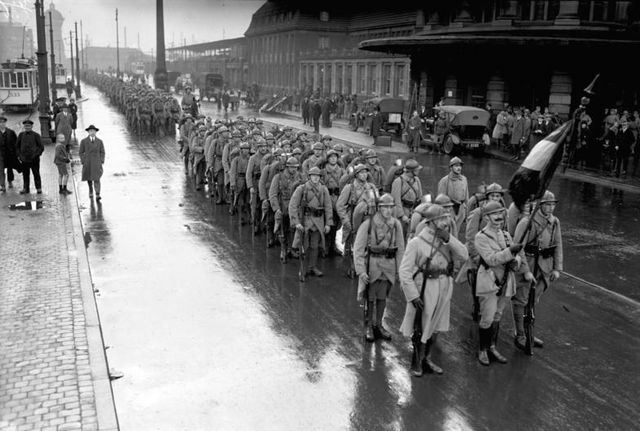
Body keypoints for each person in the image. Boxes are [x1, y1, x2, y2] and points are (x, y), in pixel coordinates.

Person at [399, 204, 468, 377]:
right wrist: (413, 296)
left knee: (435, 324)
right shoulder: (416, 242)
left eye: (446, 218)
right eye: (442, 219)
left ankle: (427, 359)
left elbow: (464, 255)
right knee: (421, 325)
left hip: (444, 285)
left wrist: (449, 239)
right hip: (425, 287)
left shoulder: (447, 241)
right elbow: (404, 271)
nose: (446, 222)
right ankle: (416, 361)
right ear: (431, 222)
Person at [474, 201, 532, 366]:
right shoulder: (481, 237)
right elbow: (491, 259)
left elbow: (517, 256)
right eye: (494, 214)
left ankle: (492, 347)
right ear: (486, 217)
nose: (499, 217)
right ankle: (483, 350)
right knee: (487, 317)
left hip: (506, 282)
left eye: (501, 213)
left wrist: (516, 261)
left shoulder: (506, 235)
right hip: (490, 282)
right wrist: (510, 252)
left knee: (497, 315)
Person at [512, 191, 563, 353]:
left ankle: (529, 333)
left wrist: (557, 268)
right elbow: (517, 247)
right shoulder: (527, 222)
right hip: (529, 264)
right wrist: (525, 270)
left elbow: (558, 245)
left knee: (533, 301)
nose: (551, 207)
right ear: (540, 205)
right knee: (521, 300)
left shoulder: (554, 222)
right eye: (547, 204)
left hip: (545, 267)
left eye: (553, 204)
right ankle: (520, 334)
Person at [353, 194, 405, 342]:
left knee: (382, 297)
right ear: (379, 208)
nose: (388, 210)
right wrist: (361, 271)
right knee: (370, 297)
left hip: (389, 266)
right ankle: (369, 325)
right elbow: (358, 249)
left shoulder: (396, 225)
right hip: (373, 265)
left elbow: (400, 249)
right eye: (385, 207)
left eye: (390, 207)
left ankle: (379, 325)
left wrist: (400, 270)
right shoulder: (368, 224)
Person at [288, 166, 332, 281]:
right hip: (305, 221)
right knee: (305, 246)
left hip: (318, 222)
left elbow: (328, 207)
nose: (316, 178)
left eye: (318, 176)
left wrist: (328, 223)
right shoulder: (302, 189)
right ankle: (303, 268)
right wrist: (296, 222)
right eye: (313, 176)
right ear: (309, 177)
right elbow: (293, 205)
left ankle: (313, 267)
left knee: (315, 246)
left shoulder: (323, 189)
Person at [390, 159, 423, 239]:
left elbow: (420, 197)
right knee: (400, 234)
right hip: (403, 209)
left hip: (414, 209)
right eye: (416, 170)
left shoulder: (417, 180)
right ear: (411, 171)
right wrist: (402, 215)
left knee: (413, 233)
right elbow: (396, 200)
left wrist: (420, 211)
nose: (418, 171)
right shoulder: (398, 181)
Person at [437, 157, 469, 234]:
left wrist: (466, 211)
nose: (459, 168)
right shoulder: (444, 180)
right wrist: (442, 213)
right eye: (456, 166)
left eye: (460, 166)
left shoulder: (464, 179)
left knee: (456, 230)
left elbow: (466, 195)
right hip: (450, 208)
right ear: (451, 168)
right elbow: (440, 198)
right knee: (448, 230)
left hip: (461, 208)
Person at [16, 120, 44, 195]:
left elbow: (41, 147)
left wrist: (36, 155)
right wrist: (20, 156)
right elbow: (17, 147)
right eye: (26, 126)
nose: (27, 127)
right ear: (24, 127)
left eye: (29, 126)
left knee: (36, 173)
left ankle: (38, 188)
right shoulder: (21, 135)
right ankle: (26, 188)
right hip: (24, 159)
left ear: (32, 126)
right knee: (25, 174)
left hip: (34, 159)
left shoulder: (36, 135)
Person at [78, 125, 105, 201]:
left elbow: (102, 152)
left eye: (93, 131)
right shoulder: (84, 141)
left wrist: (101, 160)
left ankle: (97, 194)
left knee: (97, 178)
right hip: (88, 163)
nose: (92, 132)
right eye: (90, 131)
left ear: (96, 132)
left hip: (96, 163)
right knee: (89, 178)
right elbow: (81, 152)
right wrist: (83, 160)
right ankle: (90, 189)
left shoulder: (99, 142)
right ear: (88, 132)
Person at [0, 116, 19, 191]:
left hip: (9, 153)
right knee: (1, 169)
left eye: (3, 122)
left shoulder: (11, 132)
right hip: (0, 154)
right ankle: (2, 185)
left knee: (10, 168)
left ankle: (10, 181)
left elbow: (16, 143)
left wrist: (16, 153)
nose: (2, 124)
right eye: (0, 122)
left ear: (5, 123)